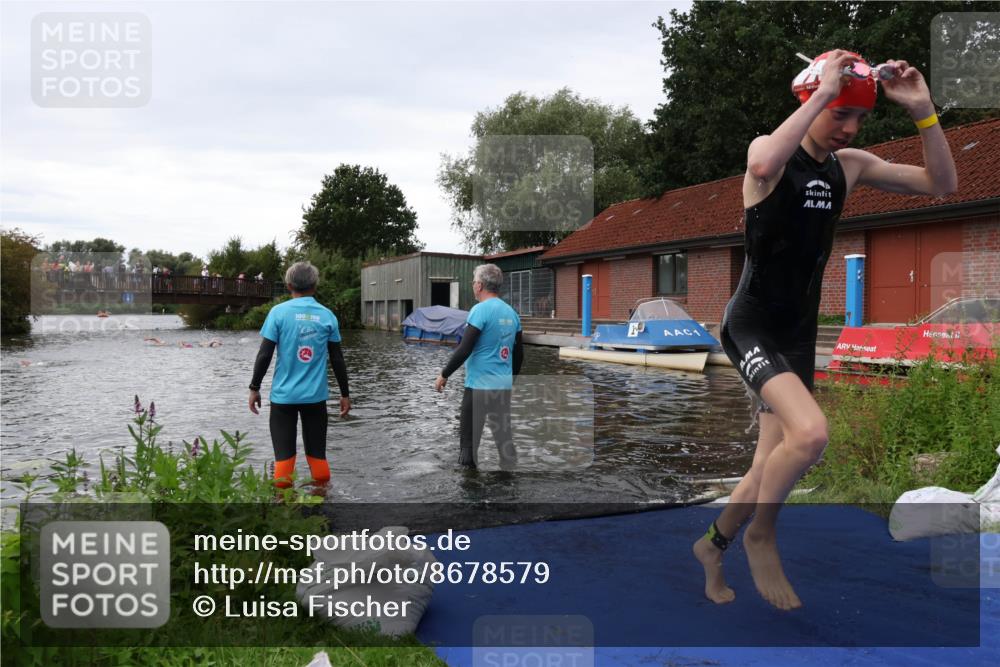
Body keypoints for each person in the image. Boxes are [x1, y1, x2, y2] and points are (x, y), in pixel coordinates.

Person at [693, 50, 957, 611]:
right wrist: (823, 91)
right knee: (811, 436)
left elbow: (943, 184)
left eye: (859, 118)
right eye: (842, 114)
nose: (851, 128)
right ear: (811, 100)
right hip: (751, 325)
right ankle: (761, 536)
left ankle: (713, 546)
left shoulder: (851, 166)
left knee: (769, 462)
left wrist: (923, 110)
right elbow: (763, 167)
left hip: (796, 332)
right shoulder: (768, 152)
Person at [248, 261, 351, 488]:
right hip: (315, 398)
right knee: (317, 457)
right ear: (315, 285)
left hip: (283, 398)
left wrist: (254, 388)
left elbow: (264, 355)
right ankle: (322, 507)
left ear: (288, 284)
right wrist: (345, 394)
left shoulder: (278, 313)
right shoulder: (327, 316)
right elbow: (337, 359)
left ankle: (284, 512)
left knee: (284, 460)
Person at [435, 264, 524, 470]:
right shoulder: (512, 314)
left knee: (468, 448)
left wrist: (444, 374)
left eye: (474, 281)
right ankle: (508, 492)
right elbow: (519, 355)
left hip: (477, 389)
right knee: (504, 444)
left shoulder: (479, 310)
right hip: (501, 388)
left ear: (480, 285)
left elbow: (464, 349)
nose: (473, 285)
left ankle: (470, 495)